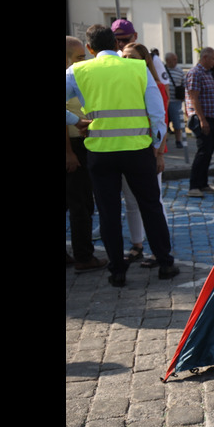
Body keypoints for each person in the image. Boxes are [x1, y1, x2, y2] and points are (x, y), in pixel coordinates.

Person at [65, 24, 179, 286]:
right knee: (151, 206)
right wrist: (157, 146)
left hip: (100, 151)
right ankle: (164, 263)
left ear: (90, 48)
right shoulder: (137, 68)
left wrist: (75, 120)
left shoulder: (79, 70)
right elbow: (157, 113)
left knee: (108, 212)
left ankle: (117, 271)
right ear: (117, 45)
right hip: (138, 151)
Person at [122, 42, 171, 268]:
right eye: (124, 56)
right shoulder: (120, 82)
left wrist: (159, 153)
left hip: (149, 150)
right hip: (126, 149)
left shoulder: (155, 85)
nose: (127, 61)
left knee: (154, 202)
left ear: (145, 62)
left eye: (132, 57)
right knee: (131, 202)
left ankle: (158, 249)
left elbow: (161, 121)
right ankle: (137, 245)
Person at [65, 36, 107, 273]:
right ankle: (84, 256)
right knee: (81, 204)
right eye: (80, 57)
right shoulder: (70, 79)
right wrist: (69, 153)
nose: (85, 61)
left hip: (77, 144)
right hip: (73, 147)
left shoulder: (76, 77)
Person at [185, 47, 214, 197]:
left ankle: (203, 183)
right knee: (202, 152)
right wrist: (202, 119)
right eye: (213, 59)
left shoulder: (207, 73)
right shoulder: (195, 73)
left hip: (211, 118)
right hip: (202, 118)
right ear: (205, 57)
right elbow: (194, 98)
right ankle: (194, 186)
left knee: (208, 152)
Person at [163, 52, 186, 148]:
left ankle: (178, 140)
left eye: (176, 59)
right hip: (164, 101)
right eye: (174, 60)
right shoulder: (162, 70)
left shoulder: (180, 71)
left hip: (176, 101)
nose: (176, 62)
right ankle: (164, 140)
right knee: (164, 122)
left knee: (177, 122)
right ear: (168, 61)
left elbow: (184, 84)